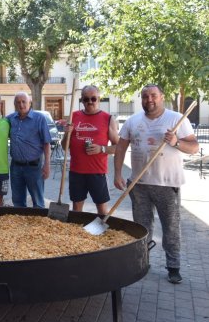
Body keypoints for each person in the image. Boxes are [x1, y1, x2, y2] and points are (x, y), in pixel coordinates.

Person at [114, 84, 198, 284]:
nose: (149, 99)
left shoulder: (177, 119)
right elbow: (120, 148)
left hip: (167, 185)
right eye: (145, 96)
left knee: (170, 227)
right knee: (141, 227)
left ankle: (173, 266)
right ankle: (142, 261)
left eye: (153, 95)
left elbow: (194, 147)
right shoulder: (133, 121)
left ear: (162, 97)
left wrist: (176, 142)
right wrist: (117, 173)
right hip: (138, 184)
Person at [61, 85, 119, 215]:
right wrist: (67, 134)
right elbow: (64, 147)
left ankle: (102, 233)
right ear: (82, 100)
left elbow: (118, 147)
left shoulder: (108, 118)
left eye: (93, 99)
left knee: (101, 208)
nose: (90, 102)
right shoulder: (73, 116)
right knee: (76, 208)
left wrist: (102, 149)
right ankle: (77, 233)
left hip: (97, 172)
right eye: (86, 99)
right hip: (77, 171)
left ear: (99, 99)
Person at [6, 92, 51, 208]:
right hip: (16, 167)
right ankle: (21, 225)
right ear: (15, 104)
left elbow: (47, 143)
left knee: (38, 202)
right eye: (18, 102)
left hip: (34, 168)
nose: (21, 105)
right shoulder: (10, 119)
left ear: (29, 102)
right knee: (18, 201)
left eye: (23, 101)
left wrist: (47, 165)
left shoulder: (39, 118)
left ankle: (38, 225)